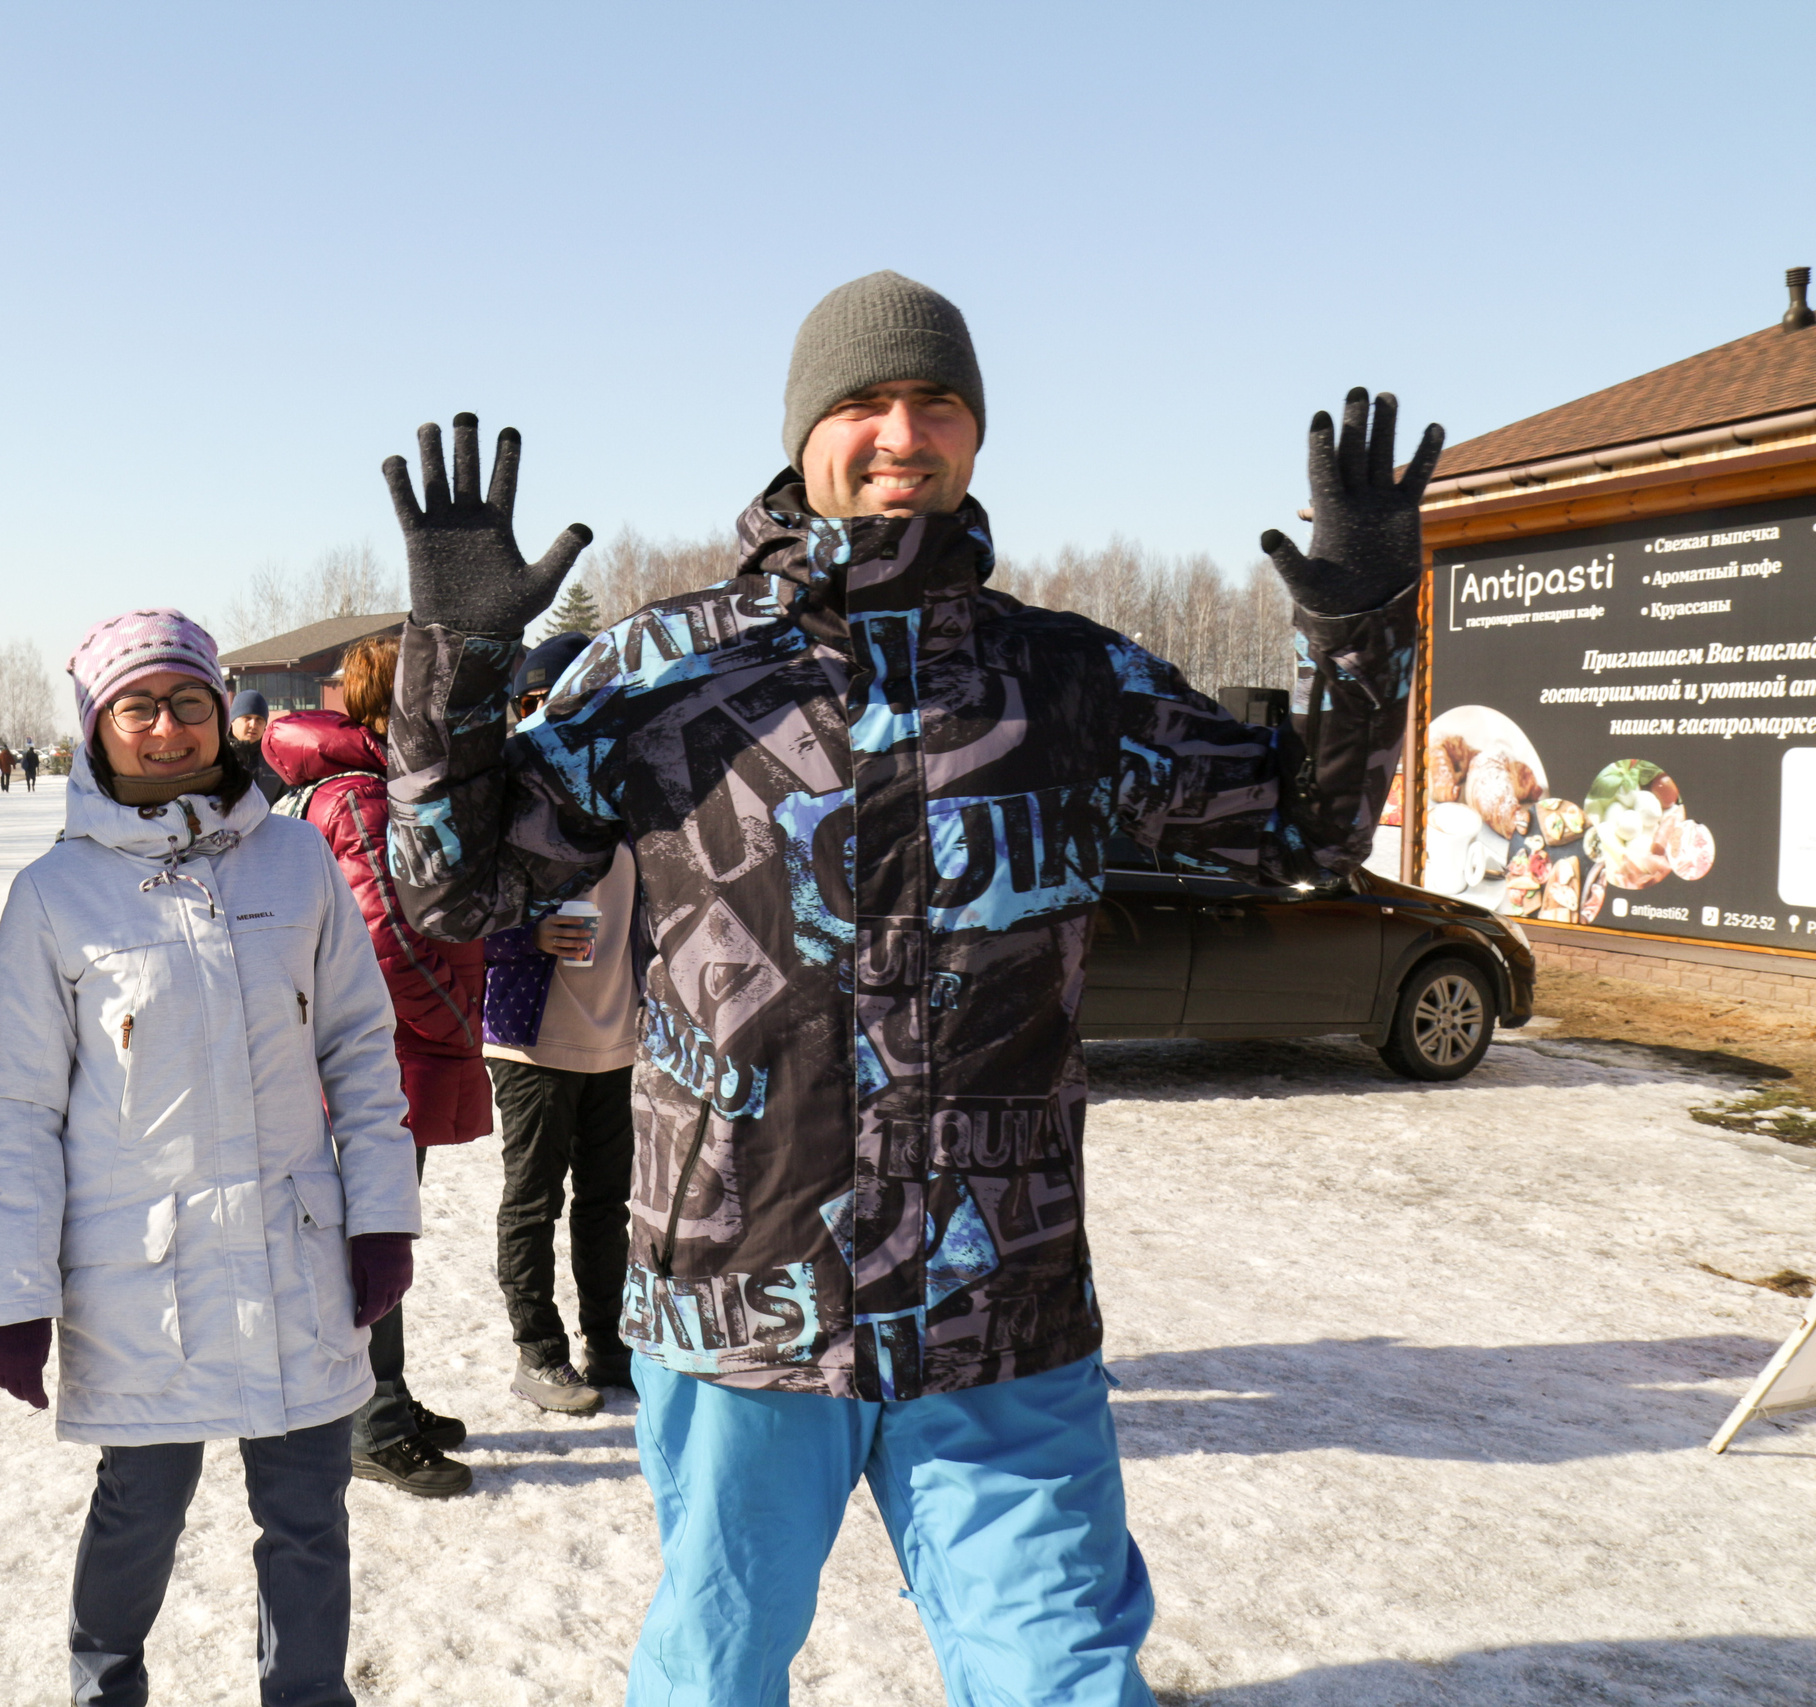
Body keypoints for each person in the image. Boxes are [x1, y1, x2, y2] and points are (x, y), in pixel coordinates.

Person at [379, 271, 1438, 1705]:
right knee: (714, 1671)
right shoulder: (668, 668)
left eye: (936, 401)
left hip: (1000, 1301)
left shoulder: (1067, 678)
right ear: (803, 430)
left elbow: (1303, 832)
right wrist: (455, 663)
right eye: (863, 401)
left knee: (1064, 1676)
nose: (901, 432)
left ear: (976, 430)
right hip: (739, 1301)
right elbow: (453, 888)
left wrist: (1362, 617)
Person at [0, 608, 419, 1707]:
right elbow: (15, 1108)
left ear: (221, 714)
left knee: (308, 1512)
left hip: (293, 1253)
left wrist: (380, 1214)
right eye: (137, 708)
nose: (166, 728)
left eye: (187, 702)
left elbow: (360, 1045)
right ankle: (104, 1687)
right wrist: (15, 1295)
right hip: (141, 1275)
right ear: (96, 726)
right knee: (141, 1507)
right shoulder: (53, 896)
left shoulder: (298, 860)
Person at [263, 633, 488, 1498]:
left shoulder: (365, 784)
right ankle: (373, 1419)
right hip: (381, 1054)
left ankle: (384, 1393)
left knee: (380, 1223)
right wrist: (454, 1016)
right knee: (371, 1227)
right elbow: (386, 940)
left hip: (386, 1049)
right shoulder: (360, 796)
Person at [478, 630, 642, 1418]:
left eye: (572, 697)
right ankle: (538, 1352)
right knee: (533, 1198)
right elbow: (449, 907)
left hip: (618, 1030)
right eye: (536, 700)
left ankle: (608, 1342)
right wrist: (525, 933)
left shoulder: (635, 785)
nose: (551, 714)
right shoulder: (504, 788)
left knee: (608, 1202)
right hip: (531, 1034)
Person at [228, 688, 286, 803]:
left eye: (259, 720)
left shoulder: (276, 761)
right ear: (232, 720)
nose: (253, 725)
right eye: (247, 718)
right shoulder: (216, 756)